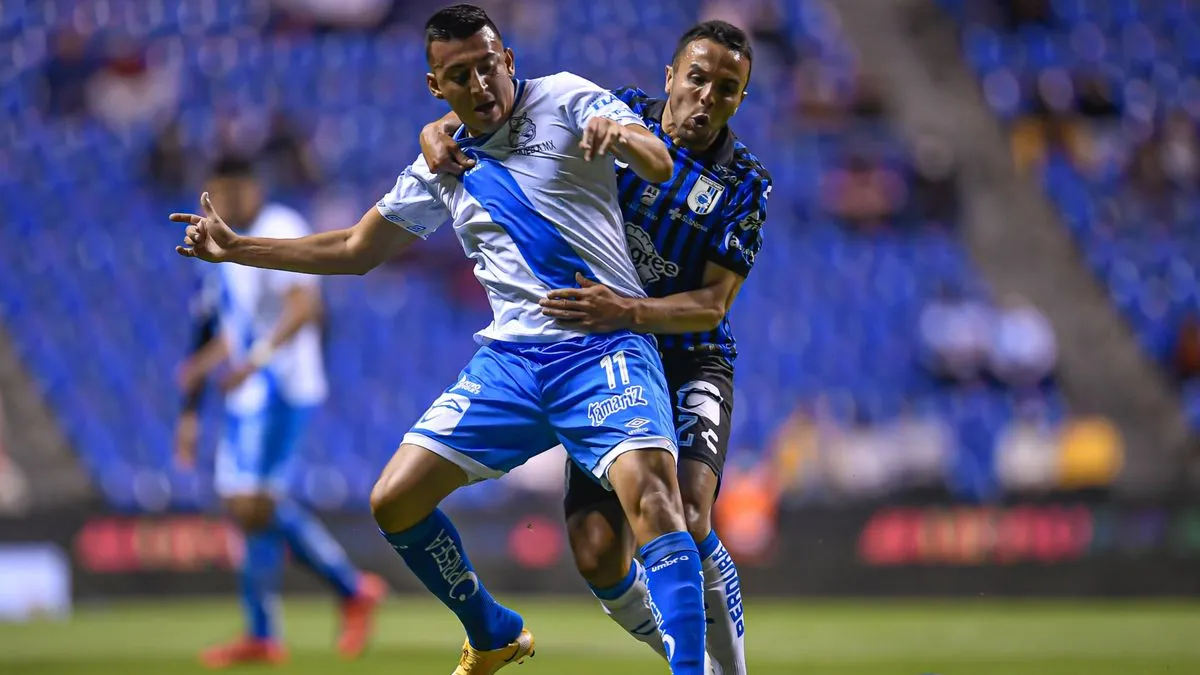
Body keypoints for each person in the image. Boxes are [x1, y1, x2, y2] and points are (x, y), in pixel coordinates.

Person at [172, 6, 709, 674]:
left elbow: (659, 162)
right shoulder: (441, 164)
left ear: (508, 58)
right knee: (393, 499)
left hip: (602, 346)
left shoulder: (569, 97)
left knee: (653, 498)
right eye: (461, 74)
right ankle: (492, 631)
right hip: (511, 363)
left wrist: (623, 137)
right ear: (437, 85)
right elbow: (354, 248)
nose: (481, 83)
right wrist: (237, 249)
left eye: (489, 65)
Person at [419, 20, 770, 675]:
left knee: (689, 514)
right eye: (696, 79)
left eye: (727, 90)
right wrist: (436, 128)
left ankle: (725, 669)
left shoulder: (746, 185)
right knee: (596, 550)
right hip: (603, 358)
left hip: (688, 356)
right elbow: (512, 109)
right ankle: (681, 645)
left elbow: (713, 304)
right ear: (669, 77)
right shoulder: (615, 112)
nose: (705, 98)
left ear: (738, 101)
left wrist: (627, 308)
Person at [173, 157, 386, 668]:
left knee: (251, 504)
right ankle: (265, 632)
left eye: (226, 192)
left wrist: (255, 361)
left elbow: (305, 307)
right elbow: (237, 328)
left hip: (283, 387)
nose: (219, 204)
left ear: (251, 187)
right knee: (248, 507)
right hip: (250, 391)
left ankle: (350, 587)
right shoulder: (235, 243)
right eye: (212, 194)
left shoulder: (279, 227)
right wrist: (199, 378)